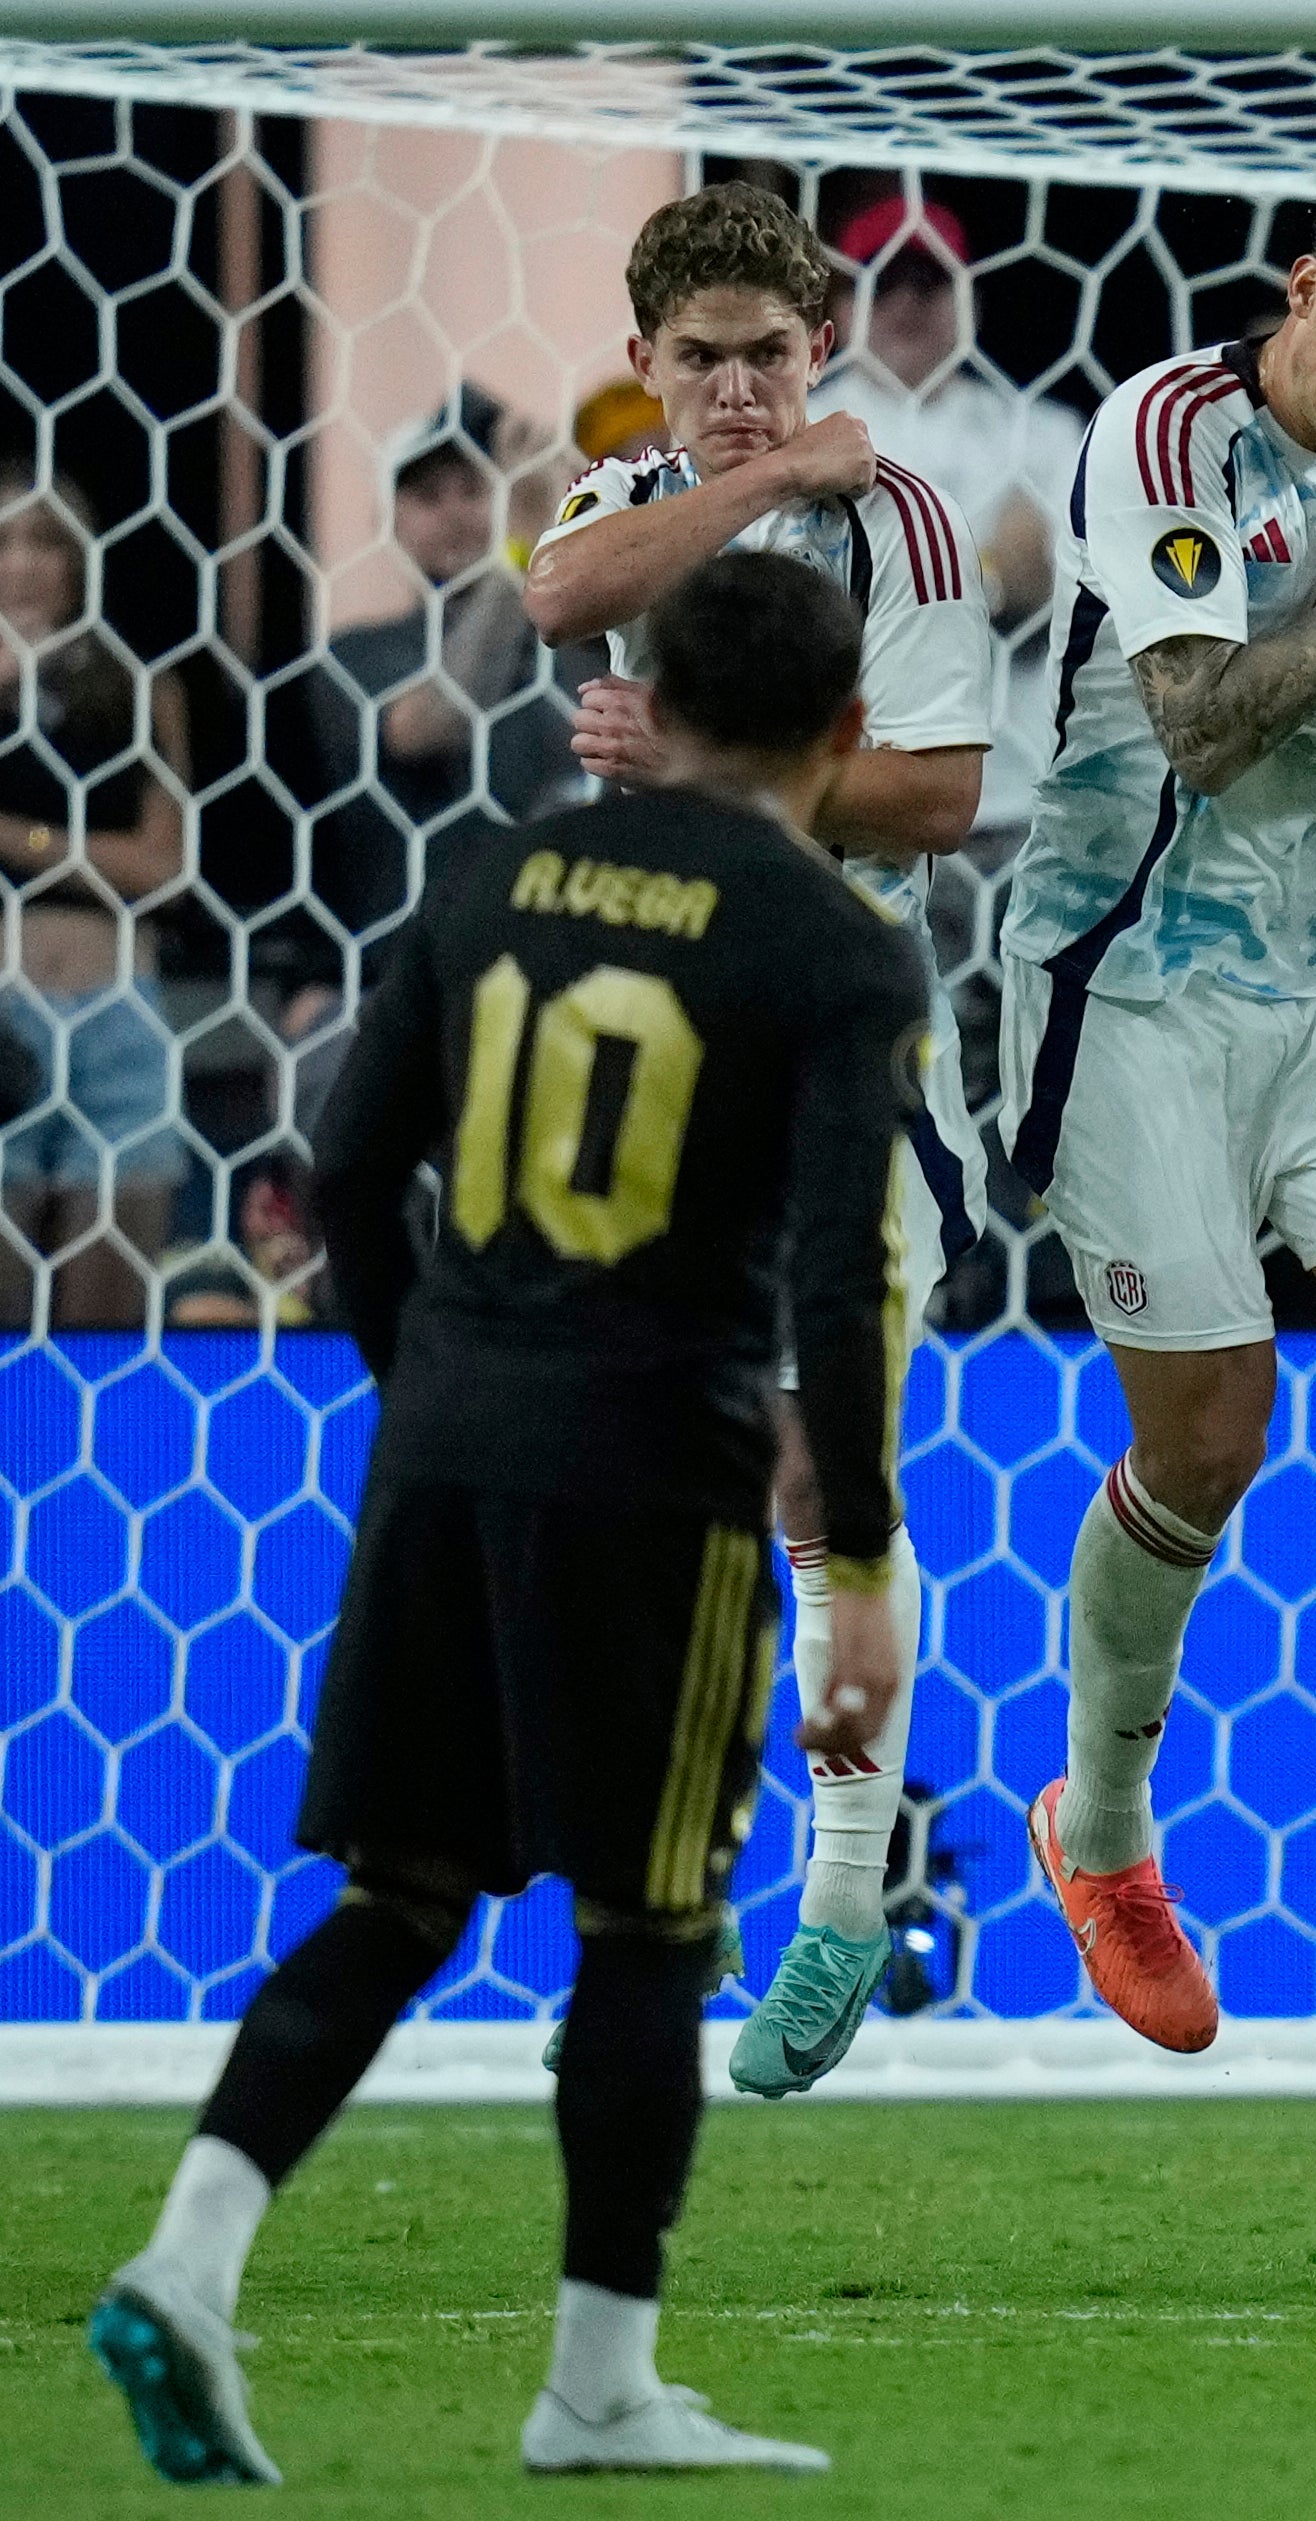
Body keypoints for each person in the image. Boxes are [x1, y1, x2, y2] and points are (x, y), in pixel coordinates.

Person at [84, 551, 927, 2481]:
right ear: (843, 731)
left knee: (399, 1893)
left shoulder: (486, 878)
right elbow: (832, 1280)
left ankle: (189, 2260)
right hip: (652, 1475)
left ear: (656, 705)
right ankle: (599, 2387)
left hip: (447, 1444)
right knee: (649, 1920)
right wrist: (864, 1563)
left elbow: (341, 1169)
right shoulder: (834, 946)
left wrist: (431, 1382)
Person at [997, 109, 1316, 2052]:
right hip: (1123, 981)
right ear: (1305, 288)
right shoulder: (1161, 436)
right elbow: (1205, 730)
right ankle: (1103, 1833)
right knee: (1210, 1438)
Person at [524, 179, 1000, 2097]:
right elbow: (557, 598)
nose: (739, 388)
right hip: (652, 1059)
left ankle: (846, 1895)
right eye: (704, 359)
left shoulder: (905, 526)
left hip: (838, 1056)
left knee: (820, 1471)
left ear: (824, 343)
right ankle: (688, 1863)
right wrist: (774, 469)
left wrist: (710, 773)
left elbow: (941, 796)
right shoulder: (629, 504)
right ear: (645, 362)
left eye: (774, 359)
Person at [811, 193, 1081, 837]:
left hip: (1016, 798)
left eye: (930, 281)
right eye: (883, 283)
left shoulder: (1044, 433)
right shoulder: (801, 437)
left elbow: (1069, 594)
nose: (907, 301)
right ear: (842, 309)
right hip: (850, 796)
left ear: (970, 303)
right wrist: (989, 576)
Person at [2, 465, 193, 1331]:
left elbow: (165, 868)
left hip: (118, 1020)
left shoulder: (139, 688)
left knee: (108, 1343)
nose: (23, 562)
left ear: (78, 562)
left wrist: (21, 838)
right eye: (4, 541)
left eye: (46, 541)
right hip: (4, 1020)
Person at [307, 385, 579, 952]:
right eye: (429, 496)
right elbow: (431, 725)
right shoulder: (357, 655)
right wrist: (521, 555)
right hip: (411, 968)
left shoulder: (579, 654)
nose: (455, 514)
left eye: (475, 489)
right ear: (389, 520)